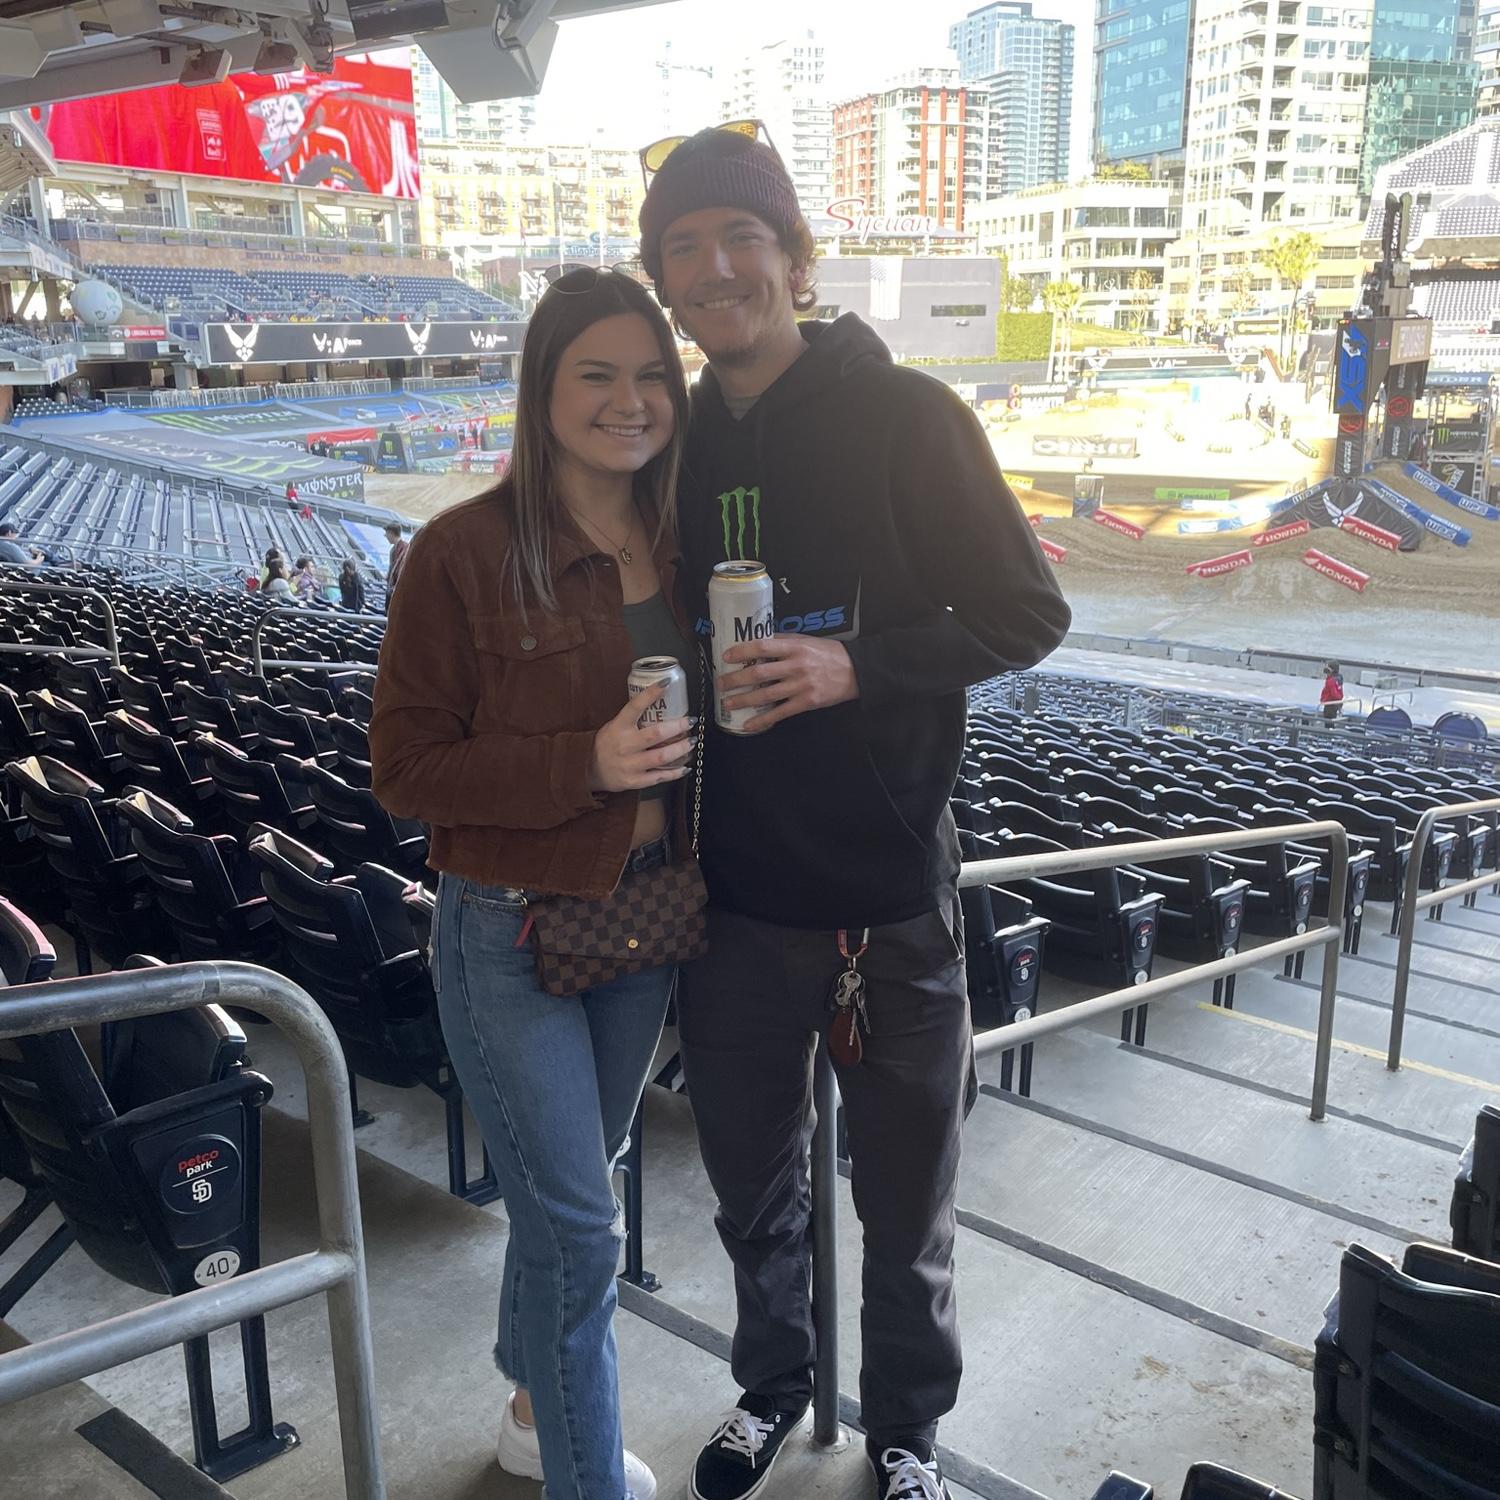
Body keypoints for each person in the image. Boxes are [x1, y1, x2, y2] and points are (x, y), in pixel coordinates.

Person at [638, 127, 1071, 1500]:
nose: (715, 269)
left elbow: (1029, 612)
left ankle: (905, 1435)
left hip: (889, 903)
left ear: (795, 256)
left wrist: (855, 665)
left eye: (740, 237)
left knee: (905, 1210)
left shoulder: (910, 416)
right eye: (683, 248)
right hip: (731, 908)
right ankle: (772, 1390)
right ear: (663, 281)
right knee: (751, 1195)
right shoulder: (671, 442)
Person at [369, 268, 694, 1500]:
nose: (629, 399)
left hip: (646, 919)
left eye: (651, 375)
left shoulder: (691, 540)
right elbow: (404, 769)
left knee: (571, 1207)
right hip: (508, 934)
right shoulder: (459, 552)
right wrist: (585, 763)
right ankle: (580, 1476)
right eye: (596, 375)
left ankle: (526, 1405)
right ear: (543, 391)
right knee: (581, 1233)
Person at [383, 522, 410, 598]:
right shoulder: (393, 549)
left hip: (397, 589)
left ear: (391, 533)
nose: (385, 535)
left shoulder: (404, 548)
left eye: (386, 533)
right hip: (393, 587)